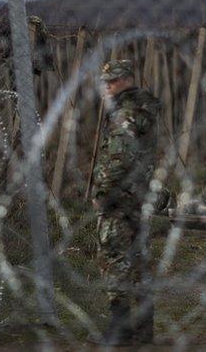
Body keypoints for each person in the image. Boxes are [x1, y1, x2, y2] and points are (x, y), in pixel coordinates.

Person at [91, 59, 160, 346]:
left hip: (119, 198)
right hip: (139, 195)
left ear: (127, 79)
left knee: (114, 259)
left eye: (112, 81)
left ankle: (120, 331)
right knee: (139, 261)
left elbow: (118, 158)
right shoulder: (142, 109)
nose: (107, 86)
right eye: (105, 81)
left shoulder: (126, 114)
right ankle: (144, 330)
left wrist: (102, 193)